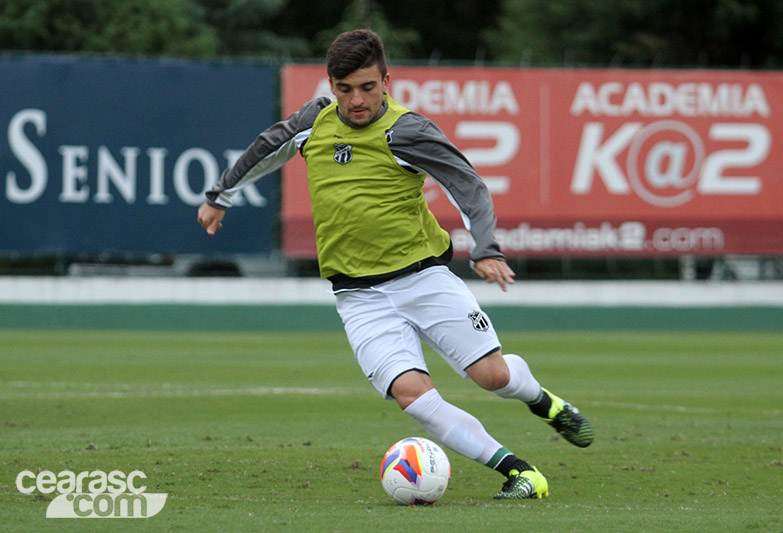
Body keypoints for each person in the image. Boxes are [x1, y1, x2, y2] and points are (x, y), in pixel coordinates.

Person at [197, 29, 593, 500]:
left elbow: (468, 187)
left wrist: (484, 247)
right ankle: (521, 472)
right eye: (344, 89)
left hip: (423, 279)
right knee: (413, 397)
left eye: (367, 87)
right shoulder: (315, 121)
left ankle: (543, 401)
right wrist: (220, 196)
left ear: (387, 80)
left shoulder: (408, 130)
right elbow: (267, 146)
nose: (356, 99)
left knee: (492, 378)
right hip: (357, 296)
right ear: (331, 85)